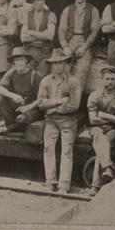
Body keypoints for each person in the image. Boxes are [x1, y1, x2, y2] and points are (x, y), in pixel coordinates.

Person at [19, 49, 82, 193]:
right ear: (51, 65)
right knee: (48, 149)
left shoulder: (73, 81)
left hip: (68, 121)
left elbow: (74, 105)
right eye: (54, 63)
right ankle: (50, 182)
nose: (57, 66)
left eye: (60, 63)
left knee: (66, 151)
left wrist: (52, 107)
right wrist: (58, 102)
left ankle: (64, 185)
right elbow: (41, 103)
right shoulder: (45, 81)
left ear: (65, 64)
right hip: (51, 120)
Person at [86, 65, 115, 195]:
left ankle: (95, 186)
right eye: (107, 79)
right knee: (100, 139)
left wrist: (105, 116)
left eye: (112, 79)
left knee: (102, 145)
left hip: (114, 130)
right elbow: (93, 120)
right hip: (97, 129)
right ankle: (107, 168)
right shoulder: (94, 96)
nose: (109, 82)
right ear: (102, 79)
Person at [57, 0, 101, 86]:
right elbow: (61, 29)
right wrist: (65, 47)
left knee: (82, 72)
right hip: (70, 41)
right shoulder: (67, 10)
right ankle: (62, 99)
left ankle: (77, 101)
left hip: (85, 42)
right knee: (62, 70)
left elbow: (95, 31)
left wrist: (85, 47)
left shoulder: (93, 10)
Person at [0, 47, 43, 133]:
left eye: (21, 60)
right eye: (16, 60)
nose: (19, 63)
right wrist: (13, 95)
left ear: (26, 61)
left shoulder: (34, 76)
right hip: (18, 106)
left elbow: (42, 99)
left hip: (32, 108)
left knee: (21, 119)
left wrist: (27, 107)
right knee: (0, 99)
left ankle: (16, 126)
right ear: (13, 62)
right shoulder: (11, 72)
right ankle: (10, 125)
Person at [19, 0, 56, 77]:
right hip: (30, 51)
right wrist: (42, 35)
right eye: (37, 0)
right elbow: (23, 38)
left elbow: (50, 36)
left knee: (40, 77)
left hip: (45, 52)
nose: (40, 2)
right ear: (33, 2)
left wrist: (31, 32)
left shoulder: (51, 15)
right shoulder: (27, 15)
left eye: (42, 0)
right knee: (26, 74)